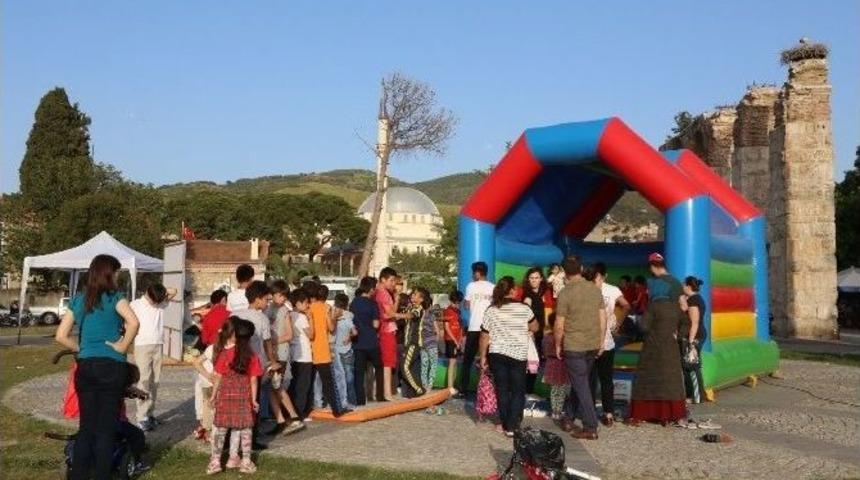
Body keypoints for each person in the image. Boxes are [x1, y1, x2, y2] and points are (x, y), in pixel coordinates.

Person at [55, 254, 140, 480]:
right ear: (108, 273)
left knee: (86, 427)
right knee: (105, 429)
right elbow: (134, 322)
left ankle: (79, 475)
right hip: (111, 367)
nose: (118, 275)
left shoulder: (79, 300)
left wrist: (81, 348)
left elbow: (61, 335)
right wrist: (122, 346)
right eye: (117, 271)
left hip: (86, 368)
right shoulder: (115, 298)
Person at [626, 253, 687, 426]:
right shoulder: (676, 283)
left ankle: (645, 412)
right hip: (670, 341)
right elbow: (684, 308)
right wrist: (676, 331)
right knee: (671, 378)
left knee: (647, 377)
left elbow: (644, 326)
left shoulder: (654, 293)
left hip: (653, 342)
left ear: (653, 266)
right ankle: (671, 414)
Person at [553, 256, 606, 440]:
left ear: (564, 272)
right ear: (581, 268)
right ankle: (568, 417)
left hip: (574, 344)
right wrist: (601, 340)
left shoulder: (565, 293)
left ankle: (590, 426)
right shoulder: (595, 289)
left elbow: (559, 324)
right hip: (592, 343)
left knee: (581, 385)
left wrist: (557, 344)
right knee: (580, 382)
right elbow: (603, 317)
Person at [478, 276, 537, 437]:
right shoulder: (524, 308)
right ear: (511, 290)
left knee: (502, 389)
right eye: (515, 288)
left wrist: (482, 356)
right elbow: (535, 326)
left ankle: (505, 423)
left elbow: (484, 335)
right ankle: (512, 426)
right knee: (518, 390)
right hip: (518, 354)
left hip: (497, 353)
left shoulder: (492, 309)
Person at [207, 317, 262, 474]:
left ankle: (215, 462)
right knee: (246, 429)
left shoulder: (224, 354)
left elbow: (218, 377)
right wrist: (254, 399)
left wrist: (213, 395)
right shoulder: (252, 356)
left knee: (221, 429)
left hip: (225, 396)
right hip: (244, 397)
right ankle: (246, 462)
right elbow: (253, 380)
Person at [231, 281, 280, 449]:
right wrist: (273, 362)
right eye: (266, 299)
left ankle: (231, 437)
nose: (267, 303)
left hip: (235, 364)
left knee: (235, 402)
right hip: (254, 366)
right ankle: (251, 439)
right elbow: (267, 344)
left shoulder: (234, 314)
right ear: (258, 299)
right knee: (254, 402)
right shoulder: (261, 318)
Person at [587, 263, 630, 426]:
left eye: (599, 276)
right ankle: (592, 412)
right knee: (592, 379)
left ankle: (607, 413)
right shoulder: (587, 288)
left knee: (604, 379)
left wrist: (618, 322)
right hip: (590, 341)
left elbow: (626, 305)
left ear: (604, 276)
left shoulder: (612, 290)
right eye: (595, 276)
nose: (597, 279)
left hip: (605, 341)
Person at [130, 283, 177, 431]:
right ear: (148, 294)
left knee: (155, 381)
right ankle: (141, 417)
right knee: (143, 381)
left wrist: (161, 292)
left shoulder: (160, 302)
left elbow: (174, 290)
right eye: (154, 300)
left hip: (158, 344)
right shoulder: (136, 304)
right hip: (142, 345)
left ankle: (150, 413)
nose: (155, 304)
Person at [265, 280, 304, 435]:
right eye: (280, 295)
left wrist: (271, 342)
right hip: (270, 354)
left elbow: (289, 335)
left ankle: (293, 417)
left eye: (284, 296)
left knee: (277, 387)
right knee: (271, 388)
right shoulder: (268, 309)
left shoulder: (284, 311)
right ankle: (281, 420)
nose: (282, 299)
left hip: (280, 354)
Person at [306, 283, 347, 416]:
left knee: (308, 382)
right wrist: (334, 318)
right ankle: (337, 410)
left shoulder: (309, 308)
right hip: (323, 350)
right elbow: (331, 327)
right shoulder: (326, 308)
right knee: (329, 383)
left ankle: (307, 408)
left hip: (309, 350)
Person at [456, 261, 494, 398]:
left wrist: (471, 303)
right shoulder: (493, 287)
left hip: (474, 327)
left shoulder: (471, 286)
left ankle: (463, 390)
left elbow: (466, 305)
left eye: (473, 273)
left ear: (477, 273)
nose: (473, 275)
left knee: (467, 360)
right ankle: (487, 391)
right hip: (489, 329)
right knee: (488, 360)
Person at [374, 267, 410, 401]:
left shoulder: (382, 293)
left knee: (387, 362)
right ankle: (387, 393)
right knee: (388, 363)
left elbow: (390, 312)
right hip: (386, 330)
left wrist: (396, 299)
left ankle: (386, 392)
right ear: (383, 280)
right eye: (392, 280)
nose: (394, 284)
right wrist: (406, 315)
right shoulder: (383, 294)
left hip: (386, 329)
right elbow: (389, 314)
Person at [350, 277, 385, 405]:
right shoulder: (372, 304)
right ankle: (380, 395)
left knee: (359, 372)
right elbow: (376, 325)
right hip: (371, 342)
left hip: (358, 343)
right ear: (371, 289)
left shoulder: (354, 303)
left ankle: (360, 400)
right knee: (379, 367)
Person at [518, 266, 552, 394]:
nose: (534, 280)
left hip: (539, 334)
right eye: (531, 278)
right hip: (531, 335)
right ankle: (527, 391)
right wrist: (529, 331)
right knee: (531, 363)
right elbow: (525, 314)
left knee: (533, 363)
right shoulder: (528, 295)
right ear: (528, 280)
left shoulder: (541, 294)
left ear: (541, 279)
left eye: (536, 278)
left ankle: (528, 391)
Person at [287, 289, 315, 419]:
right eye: (305, 303)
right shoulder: (302, 317)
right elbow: (311, 334)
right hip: (304, 355)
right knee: (303, 386)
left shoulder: (289, 315)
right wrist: (310, 318)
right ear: (298, 303)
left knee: (294, 385)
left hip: (293, 355)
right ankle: (300, 413)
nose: (307, 305)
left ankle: (292, 412)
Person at [679, 276, 707, 405]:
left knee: (692, 367)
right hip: (691, 336)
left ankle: (697, 396)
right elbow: (684, 309)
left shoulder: (694, 300)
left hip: (694, 336)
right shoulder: (691, 299)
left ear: (688, 286)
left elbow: (694, 322)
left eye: (683, 284)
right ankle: (690, 395)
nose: (682, 287)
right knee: (687, 366)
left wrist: (691, 342)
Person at [541, 315, 569, 421]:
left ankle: (554, 411)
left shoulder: (547, 337)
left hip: (551, 363)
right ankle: (559, 410)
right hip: (562, 363)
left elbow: (544, 352)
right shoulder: (564, 337)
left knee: (554, 389)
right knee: (561, 389)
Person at [332, 293, 357, 407]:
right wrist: (349, 337)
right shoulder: (349, 317)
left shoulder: (333, 317)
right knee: (349, 378)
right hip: (347, 350)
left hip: (336, 351)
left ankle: (340, 402)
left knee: (338, 378)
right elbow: (355, 332)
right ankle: (352, 401)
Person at [442, 290, 464, 393]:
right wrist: (455, 340)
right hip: (450, 339)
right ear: (451, 301)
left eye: (459, 303)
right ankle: (449, 387)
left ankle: (453, 385)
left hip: (457, 340)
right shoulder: (447, 311)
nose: (457, 305)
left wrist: (460, 340)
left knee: (455, 362)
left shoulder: (458, 312)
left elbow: (460, 327)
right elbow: (447, 328)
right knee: (452, 362)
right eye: (455, 303)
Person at [420, 301, 442, 393]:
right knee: (433, 364)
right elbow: (437, 331)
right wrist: (436, 340)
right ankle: (430, 386)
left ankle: (424, 385)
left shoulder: (420, 315)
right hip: (432, 343)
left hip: (422, 343)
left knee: (424, 365)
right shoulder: (432, 316)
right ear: (430, 305)